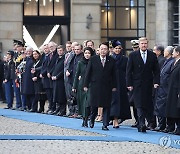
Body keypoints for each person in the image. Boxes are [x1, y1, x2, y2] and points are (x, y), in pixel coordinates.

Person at [126, 37, 160, 133]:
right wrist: (129, 84)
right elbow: (129, 71)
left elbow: (156, 70)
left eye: (145, 43)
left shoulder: (152, 55)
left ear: (147, 44)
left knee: (148, 104)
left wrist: (156, 82)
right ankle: (141, 124)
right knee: (139, 104)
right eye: (142, 44)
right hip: (137, 84)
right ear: (139, 45)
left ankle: (150, 122)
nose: (144, 45)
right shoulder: (133, 55)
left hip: (149, 84)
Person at [84, 42, 116, 131]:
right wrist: (86, 84)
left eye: (105, 49)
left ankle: (105, 124)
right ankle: (92, 119)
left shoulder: (111, 60)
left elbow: (114, 74)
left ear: (108, 50)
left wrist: (114, 85)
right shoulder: (93, 59)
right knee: (94, 105)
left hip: (107, 86)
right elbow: (88, 73)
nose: (103, 51)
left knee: (106, 106)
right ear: (99, 50)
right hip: (95, 85)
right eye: (101, 49)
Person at [110, 40, 131, 128]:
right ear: (113, 49)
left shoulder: (125, 59)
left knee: (121, 101)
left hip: (122, 82)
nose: (117, 50)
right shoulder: (110, 58)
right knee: (113, 101)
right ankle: (114, 119)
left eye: (119, 48)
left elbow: (128, 71)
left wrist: (128, 83)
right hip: (112, 82)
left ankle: (118, 118)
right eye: (116, 48)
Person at [154, 46, 175, 131]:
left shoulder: (172, 62)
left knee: (166, 108)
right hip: (161, 88)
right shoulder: (166, 61)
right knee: (160, 107)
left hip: (166, 89)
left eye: (165, 51)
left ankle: (169, 126)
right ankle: (162, 125)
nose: (164, 53)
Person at [72, 47, 94, 127]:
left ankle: (91, 118)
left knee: (89, 102)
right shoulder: (80, 62)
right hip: (82, 85)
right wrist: (74, 86)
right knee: (84, 103)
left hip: (91, 85)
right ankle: (84, 120)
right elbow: (77, 74)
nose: (87, 55)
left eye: (89, 53)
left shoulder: (94, 62)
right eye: (85, 53)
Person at [165, 46, 180, 135]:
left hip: (177, 90)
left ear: (178, 53)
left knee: (177, 110)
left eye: (174, 52)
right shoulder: (174, 62)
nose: (172, 53)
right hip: (172, 89)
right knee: (172, 109)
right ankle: (174, 127)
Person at [51, 45, 67, 116]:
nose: (59, 52)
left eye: (61, 50)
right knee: (56, 95)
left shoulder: (64, 58)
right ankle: (57, 109)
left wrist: (57, 76)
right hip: (55, 79)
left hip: (60, 79)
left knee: (61, 95)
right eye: (58, 51)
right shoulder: (57, 58)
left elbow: (63, 69)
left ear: (63, 51)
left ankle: (62, 110)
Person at [128, 39, 139, 127]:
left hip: (141, 83)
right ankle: (137, 120)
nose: (135, 49)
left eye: (137, 47)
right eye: (134, 48)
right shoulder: (132, 56)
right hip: (133, 83)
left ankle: (142, 120)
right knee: (134, 103)